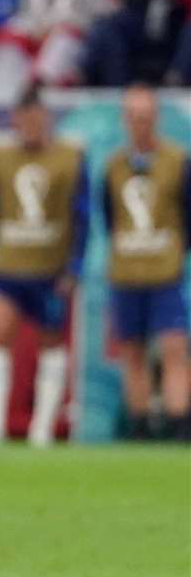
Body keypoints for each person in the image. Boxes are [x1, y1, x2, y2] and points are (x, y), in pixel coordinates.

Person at [0, 88, 88, 446]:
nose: (30, 126)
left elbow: (82, 218)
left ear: (46, 119)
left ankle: (42, 428)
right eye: (23, 119)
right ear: (15, 120)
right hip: (9, 267)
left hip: (50, 270)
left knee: (51, 345)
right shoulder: (0, 159)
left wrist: (75, 268)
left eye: (37, 118)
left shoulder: (70, 158)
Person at [103, 85, 191, 441]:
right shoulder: (113, 168)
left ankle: (179, 424)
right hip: (127, 272)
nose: (140, 124)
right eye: (134, 117)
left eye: (146, 117)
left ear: (157, 119)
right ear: (126, 121)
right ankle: (139, 427)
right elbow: (111, 218)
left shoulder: (178, 162)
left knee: (173, 348)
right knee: (133, 353)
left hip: (164, 273)